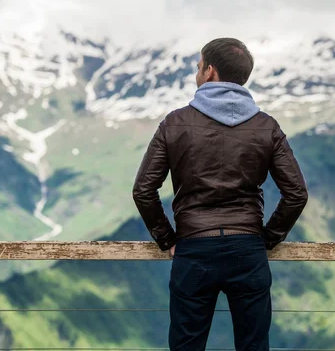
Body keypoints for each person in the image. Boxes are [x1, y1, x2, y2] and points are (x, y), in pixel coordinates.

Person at [132, 37, 309, 351]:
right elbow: (296, 193)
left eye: (199, 66)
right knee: (253, 345)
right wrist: (266, 238)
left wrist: (166, 238)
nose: (197, 72)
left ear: (210, 71)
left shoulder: (174, 123)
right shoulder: (266, 127)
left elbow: (144, 190)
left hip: (194, 248)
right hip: (248, 249)